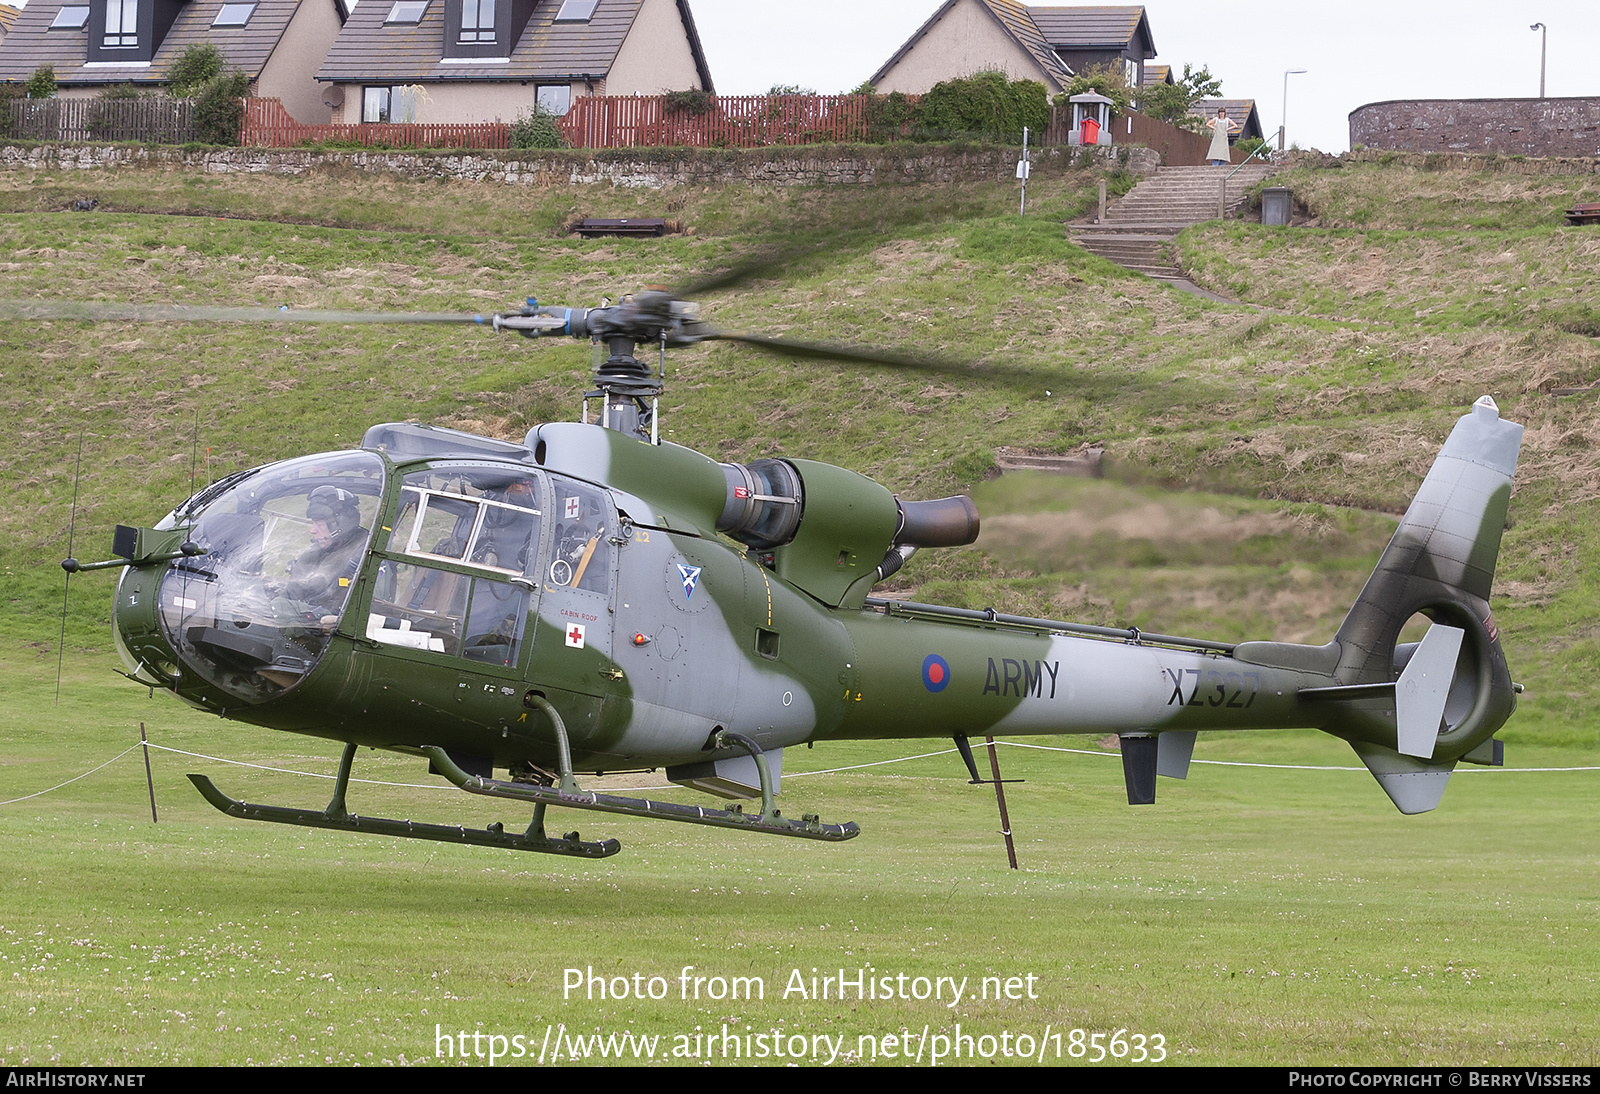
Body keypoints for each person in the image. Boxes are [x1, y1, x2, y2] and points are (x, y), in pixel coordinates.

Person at [278, 485, 368, 629]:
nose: (312, 530)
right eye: (313, 523)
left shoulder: (364, 559)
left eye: (320, 524)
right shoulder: (319, 552)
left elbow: (360, 618)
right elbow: (294, 591)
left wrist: (279, 606)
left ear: (341, 525)